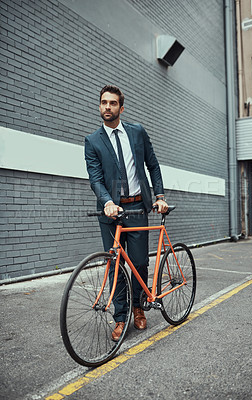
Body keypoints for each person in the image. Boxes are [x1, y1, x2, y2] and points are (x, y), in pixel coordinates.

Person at [85, 85, 168, 341]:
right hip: (111, 211)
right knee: (115, 264)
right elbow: (96, 179)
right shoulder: (93, 141)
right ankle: (120, 318)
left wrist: (160, 196)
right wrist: (107, 201)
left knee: (140, 262)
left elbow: (152, 165)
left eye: (112, 103)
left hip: (136, 207)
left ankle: (138, 307)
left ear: (121, 107)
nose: (106, 107)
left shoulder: (137, 132)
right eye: (103, 102)